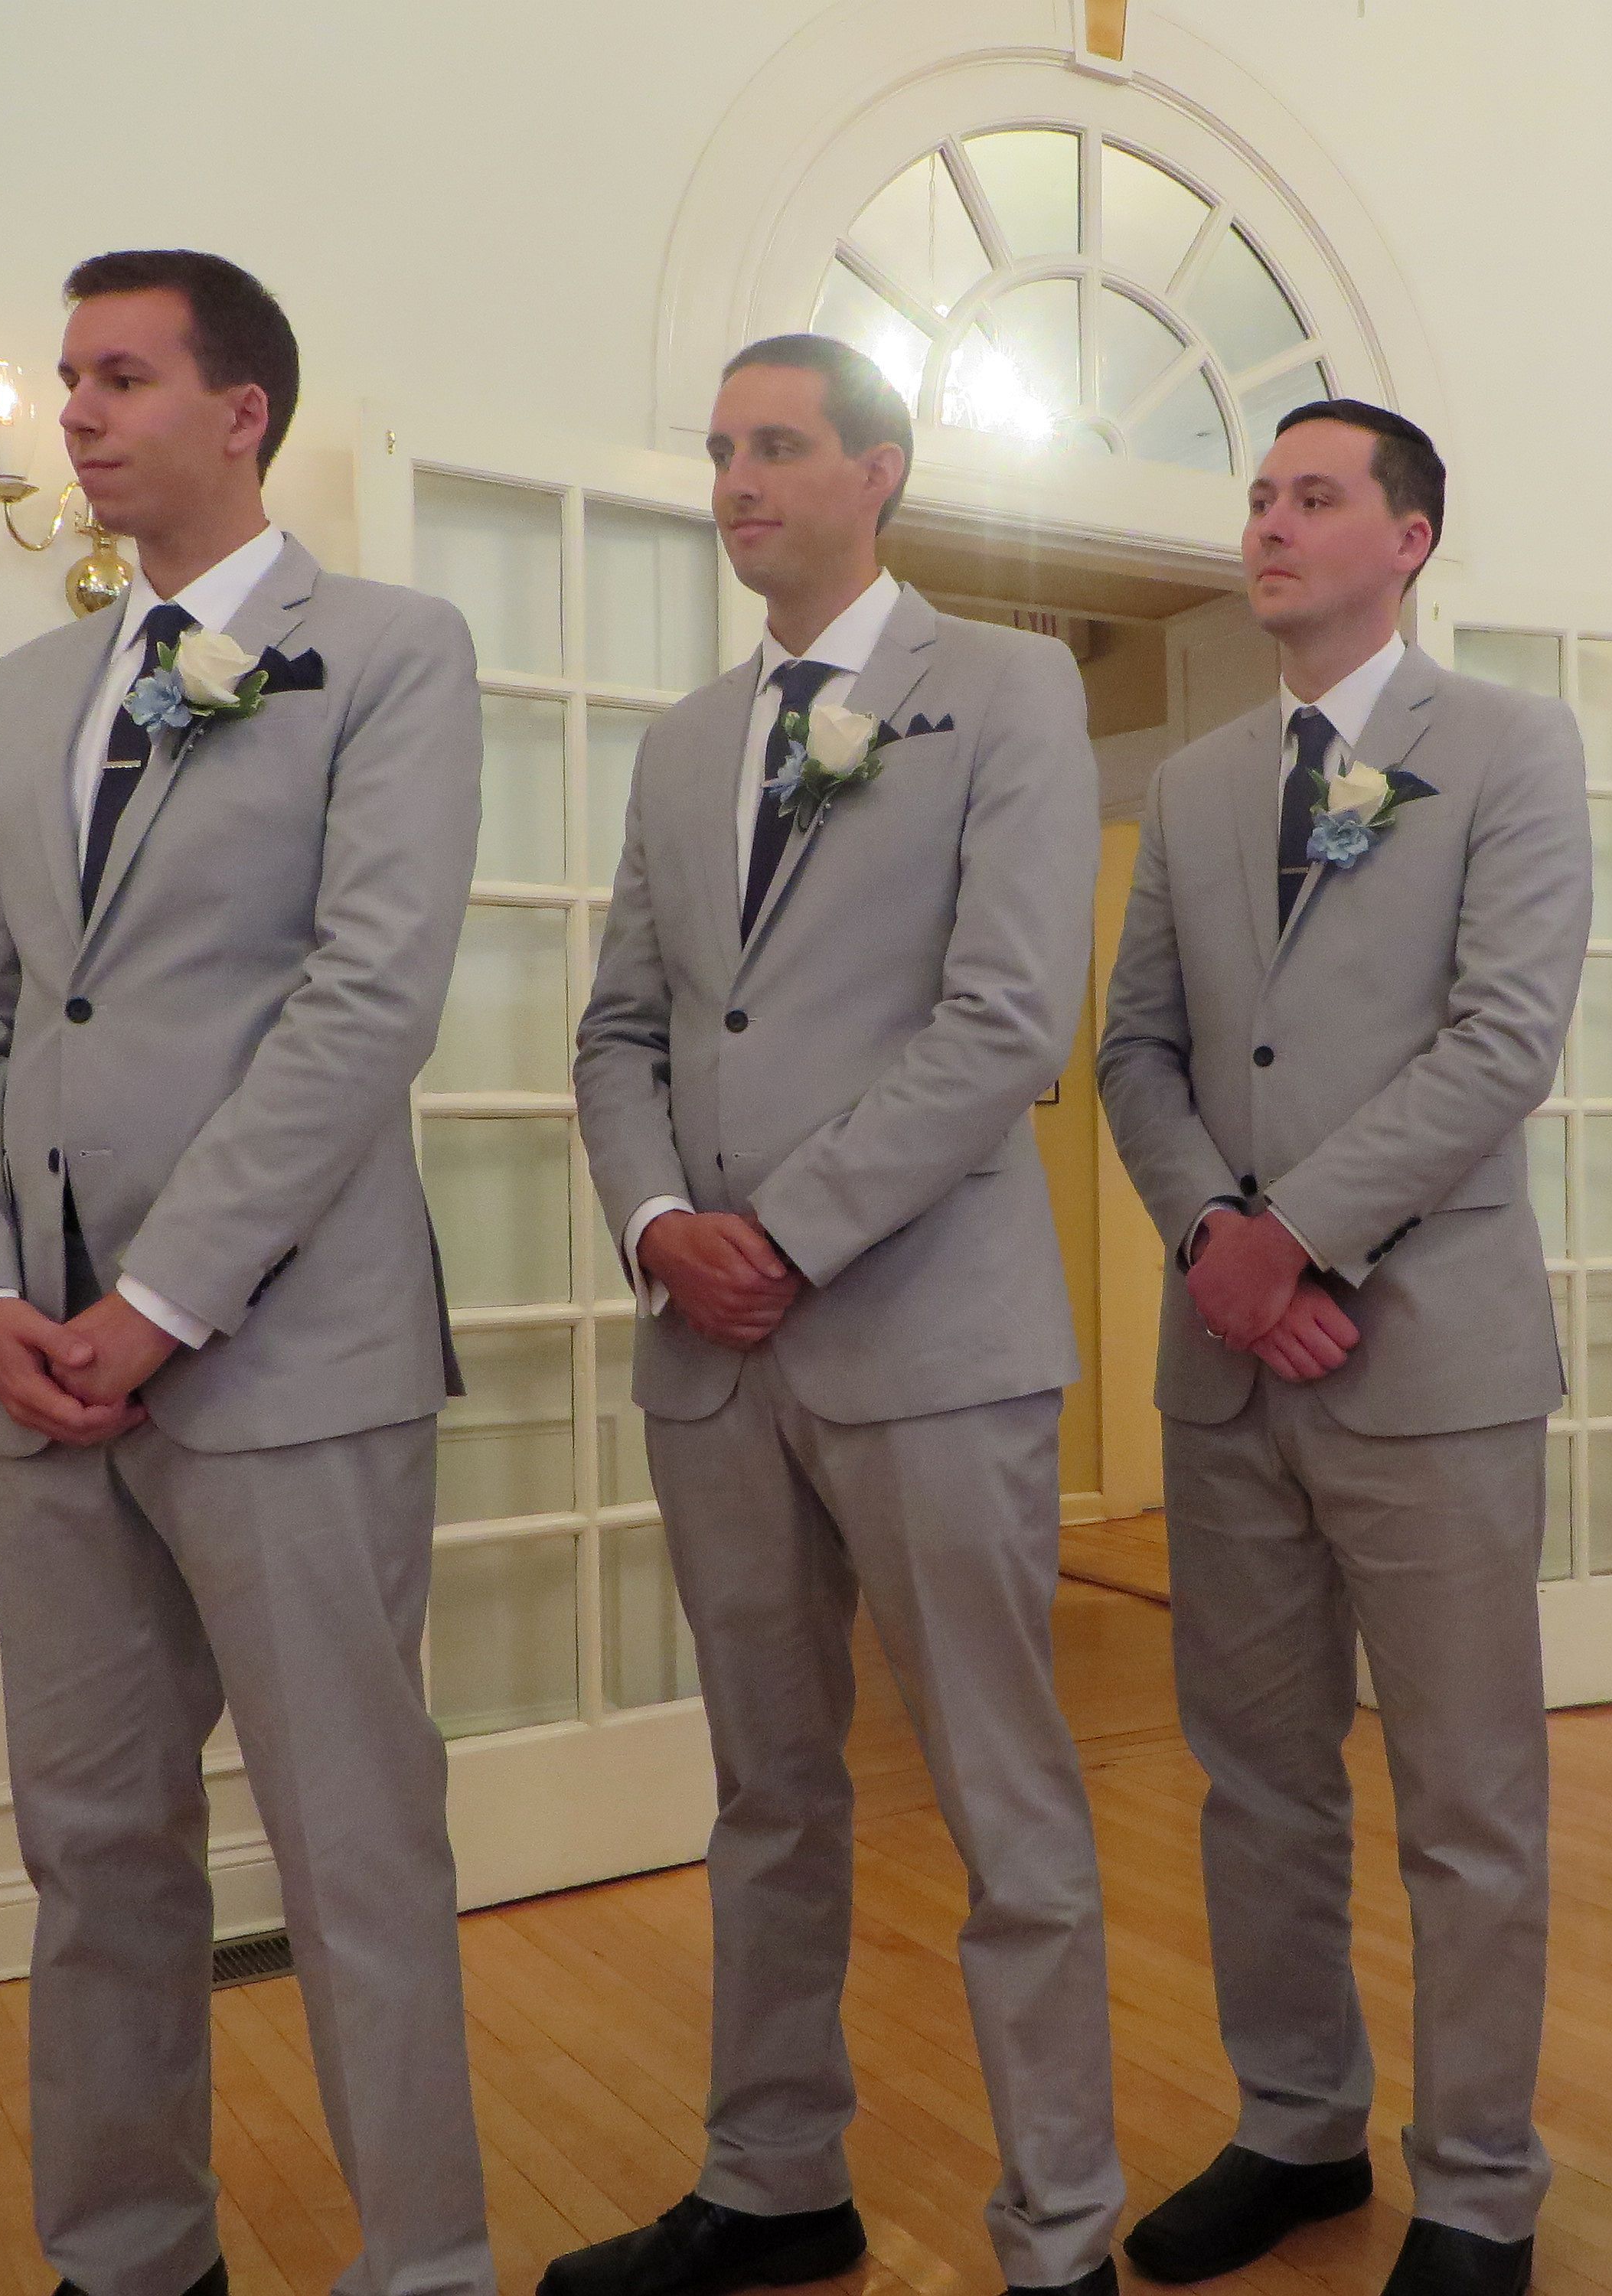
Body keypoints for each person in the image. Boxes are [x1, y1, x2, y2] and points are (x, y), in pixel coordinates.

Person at [0, 249, 491, 2296]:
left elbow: (368, 999)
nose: (75, 411)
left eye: (120, 375)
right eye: (68, 376)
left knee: (354, 1851)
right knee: (92, 1852)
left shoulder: (391, 652)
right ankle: (130, 2258)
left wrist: (157, 1302)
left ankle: (423, 2264)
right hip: (38, 1379)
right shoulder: (23, 693)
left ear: (243, 414)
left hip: (285, 1358)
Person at [562, 334, 1121, 2296]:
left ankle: (1058, 2229)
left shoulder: (1007, 688)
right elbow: (622, 1030)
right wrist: (658, 1224)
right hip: (711, 1362)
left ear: (878, 472)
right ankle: (771, 2179)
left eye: (779, 445)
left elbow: (1008, 1019)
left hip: (928, 1340)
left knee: (1003, 1803)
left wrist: (780, 1235)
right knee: (765, 1798)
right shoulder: (682, 745)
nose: (736, 479)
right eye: (721, 447)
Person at [1095, 401, 1589, 2296]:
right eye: (1257, 497)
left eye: (1314, 497)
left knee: (1465, 1800)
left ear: (1410, 538)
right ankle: (1294, 2126)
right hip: (1227, 1368)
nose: (1270, 524)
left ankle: (1475, 2186)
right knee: (1256, 1779)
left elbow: (1501, 1038)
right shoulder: (1199, 783)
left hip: (1427, 1357)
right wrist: (1211, 1244)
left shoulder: (1512, 748)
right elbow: (1137, 1047)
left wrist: (1292, 1234)